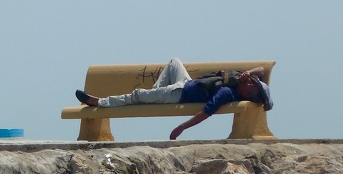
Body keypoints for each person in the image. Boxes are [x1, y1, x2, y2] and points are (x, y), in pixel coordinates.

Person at [75, 57, 273, 140]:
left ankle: (100, 102)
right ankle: (153, 96)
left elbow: (205, 113)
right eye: (254, 82)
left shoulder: (228, 93)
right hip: (184, 83)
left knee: (137, 96)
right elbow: (262, 70)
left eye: (253, 86)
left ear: (250, 92)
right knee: (174, 62)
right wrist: (249, 73)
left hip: (178, 94)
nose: (252, 82)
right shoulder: (241, 80)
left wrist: (182, 127)